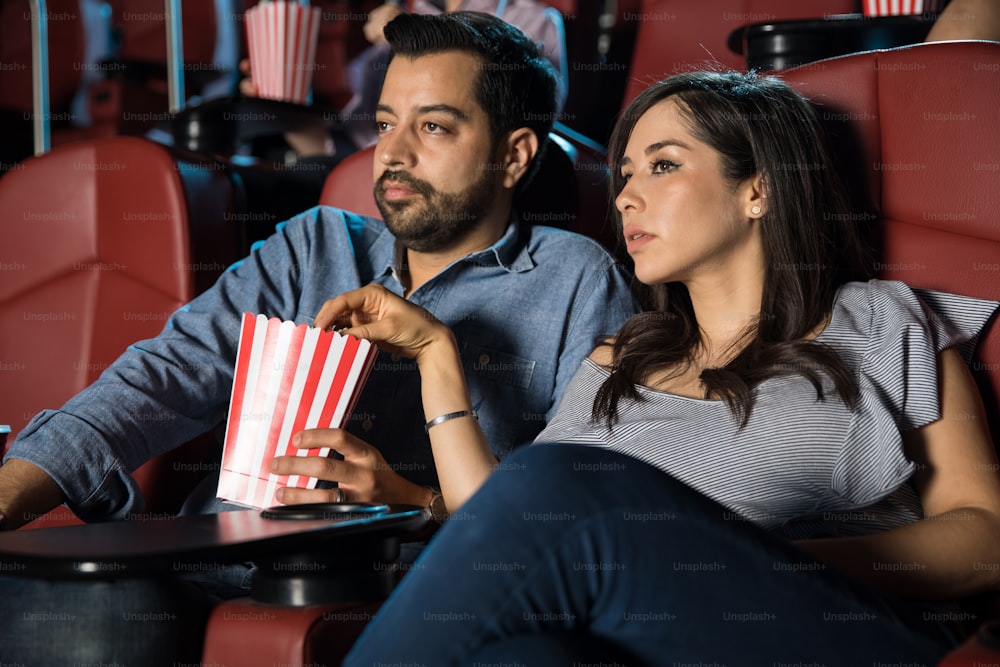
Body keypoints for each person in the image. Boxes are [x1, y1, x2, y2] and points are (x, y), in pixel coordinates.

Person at [314, 70, 1000, 665]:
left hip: (835, 633)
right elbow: (510, 517)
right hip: (661, 638)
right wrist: (436, 351)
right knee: (521, 656)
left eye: (663, 165)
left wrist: (744, 554)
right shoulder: (623, 355)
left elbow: (985, 538)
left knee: (560, 484)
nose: (626, 197)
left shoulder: (881, 319)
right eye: (625, 174)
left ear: (757, 188)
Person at [0, 12, 634, 562]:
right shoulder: (315, 245)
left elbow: (568, 516)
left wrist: (416, 504)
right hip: (216, 557)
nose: (394, 154)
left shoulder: (577, 279)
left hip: (403, 584)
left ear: (514, 156)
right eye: (386, 124)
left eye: (434, 127)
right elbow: (160, 378)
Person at [243, 0, 567, 160]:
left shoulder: (530, 19)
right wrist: (283, 110)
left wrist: (419, 34)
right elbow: (349, 151)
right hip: (373, 186)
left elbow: (536, 112)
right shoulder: (392, 34)